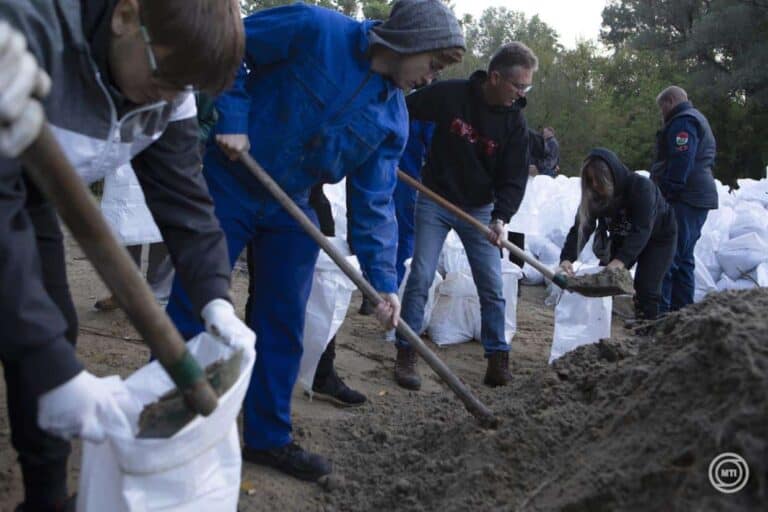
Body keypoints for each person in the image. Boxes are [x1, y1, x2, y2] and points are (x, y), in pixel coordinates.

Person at [165, 0, 465, 482]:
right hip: (233, 181)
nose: (430, 79)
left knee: (283, 320)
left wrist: (383, 281)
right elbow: (231, 46)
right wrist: (234, 116)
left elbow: (374, 202)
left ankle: (267, 436)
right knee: (198, 300)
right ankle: (172, 418)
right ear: (410, 41)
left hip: (292, 204)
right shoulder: (313, 27)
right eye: (432, 65)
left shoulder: (392, 120)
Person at [0, 1, 249, 510]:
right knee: (40, 344)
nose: (172, 98)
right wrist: (47, 359)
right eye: (167, 78)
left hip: (35, 188)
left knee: (51, 333)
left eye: (186, 90)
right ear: (124, 16)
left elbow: (186, 203)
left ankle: (44, 497)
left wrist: (214, 299)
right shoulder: (28, 30)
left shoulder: (167, 84)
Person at [395, 42, 538, 391]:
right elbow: (402, 107)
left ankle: (497, 357)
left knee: (491, 284)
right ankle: (406, 352)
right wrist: (388, 144)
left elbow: (513, 180)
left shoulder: (515, 124)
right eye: (518, 86)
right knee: (422, 275)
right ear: (495, 77)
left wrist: (501, 218)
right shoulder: (452, 95)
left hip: (480, 209)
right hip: (435, 199)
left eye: (527, 88)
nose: (522, 94)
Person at [245, 184, 367, 407]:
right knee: (264, 293)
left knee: (326, 290)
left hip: (312, 197)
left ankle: (322, 375)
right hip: (265, 196)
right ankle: (253, 375)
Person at [559, 148, 678, 321]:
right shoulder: (593, 196)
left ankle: (647, 331)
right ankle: (598, 324)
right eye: (590, 181)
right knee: (602, 282)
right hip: (622, 235)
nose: (594, 186)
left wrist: (620, 261)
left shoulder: (641, 187)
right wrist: (567, 258)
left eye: (598, 180)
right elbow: (581, 228)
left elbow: (642, 229)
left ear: (610, 176)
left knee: (646, 287)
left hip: (658, 237)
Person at [650, 86, 718, 313]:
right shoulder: (698, 118)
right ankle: (682, 315)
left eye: (662, 109)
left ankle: (660, 317)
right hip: (698, 197)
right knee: (684, 258)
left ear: (670, 102)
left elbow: (682, 159)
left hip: (685, 197)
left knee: (668, 256)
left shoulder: (683, 121)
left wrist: (668, 192)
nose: (662, 115)